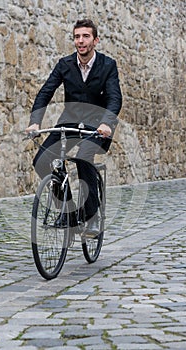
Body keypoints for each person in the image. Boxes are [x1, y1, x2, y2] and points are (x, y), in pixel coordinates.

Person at [26, 18, 122, 235]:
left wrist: (107, 123)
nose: (81, 41)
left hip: (98, 126)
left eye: (86, 36)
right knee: (41, 160)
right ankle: (68, 211)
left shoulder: (108, 65)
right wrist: (35, 122)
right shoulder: (65, 64)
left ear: (95, 40)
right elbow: (45, 92)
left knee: (83, 157)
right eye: (77, 36)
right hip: (70, 122)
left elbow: (115, 98)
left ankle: (93, 216)